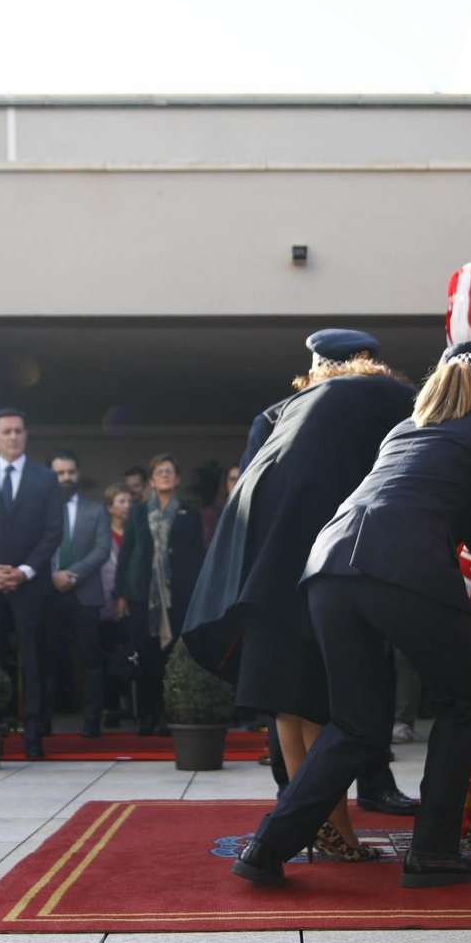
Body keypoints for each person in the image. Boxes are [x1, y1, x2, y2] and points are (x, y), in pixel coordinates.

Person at [233, 341, 471, 889]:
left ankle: (267, 846)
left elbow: (448, 522)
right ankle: (434, 853)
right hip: (401, 566)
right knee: (465, 700)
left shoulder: (408, 431)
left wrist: (466, 622)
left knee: (355, 722)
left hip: (331, 566)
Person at [187, 328, 420, 860]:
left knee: (292, 706)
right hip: (317, 568)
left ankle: (318, 823)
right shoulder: (370, 403)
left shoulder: (282, 414)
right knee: (315, 704)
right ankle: (324, 825)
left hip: (270, 574)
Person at [0, 408, 64, 759]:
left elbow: (53, 534)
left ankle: (34, 735)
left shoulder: (45, 478)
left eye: (19, 430)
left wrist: (24, 571)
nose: (13, 437)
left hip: (31, 587)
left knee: (34, 661)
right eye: (6, 431)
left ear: (26, 435)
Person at [115, 452, 204, 737]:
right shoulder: (138, 511)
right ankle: (148, 714)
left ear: (177, 479)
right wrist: (121, 593)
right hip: (142, 594)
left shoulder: (189, 512)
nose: (165, 475)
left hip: (178, 594)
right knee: (146, 653)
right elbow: (126, 552)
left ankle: (169, 712)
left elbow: (196, 554)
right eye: (159, 471)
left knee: (173, 655)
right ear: (151, 480)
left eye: (170, 471)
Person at [45, 450, 112, 738]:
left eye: (70, 472)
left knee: (89, 662)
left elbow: (102, 549)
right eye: (59, 473)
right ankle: (42, 725)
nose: (66, 478)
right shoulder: (40, 509)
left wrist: (71, 575)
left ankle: (91, 725)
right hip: (48, 594)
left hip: (85, 593)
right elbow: (33, 546)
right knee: (46, 660)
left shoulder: (95, 510)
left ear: (78, 473)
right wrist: (52, 576)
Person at [97, 482, 131, 727]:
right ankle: (109, 706)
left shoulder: (135, 531)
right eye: (120, 502)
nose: (126, 506)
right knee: (105, 658)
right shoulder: (100, 534)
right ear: (109, 507)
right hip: (104, 604)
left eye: (128, 501)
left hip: (131, 605)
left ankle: (130, 706)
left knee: (128, 655)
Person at [202, 464, 238, 549]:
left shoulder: (254, 512)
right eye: (232, 479)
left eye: (240, 478)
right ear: (225, 483)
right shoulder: (210, 514)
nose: (237, 482)